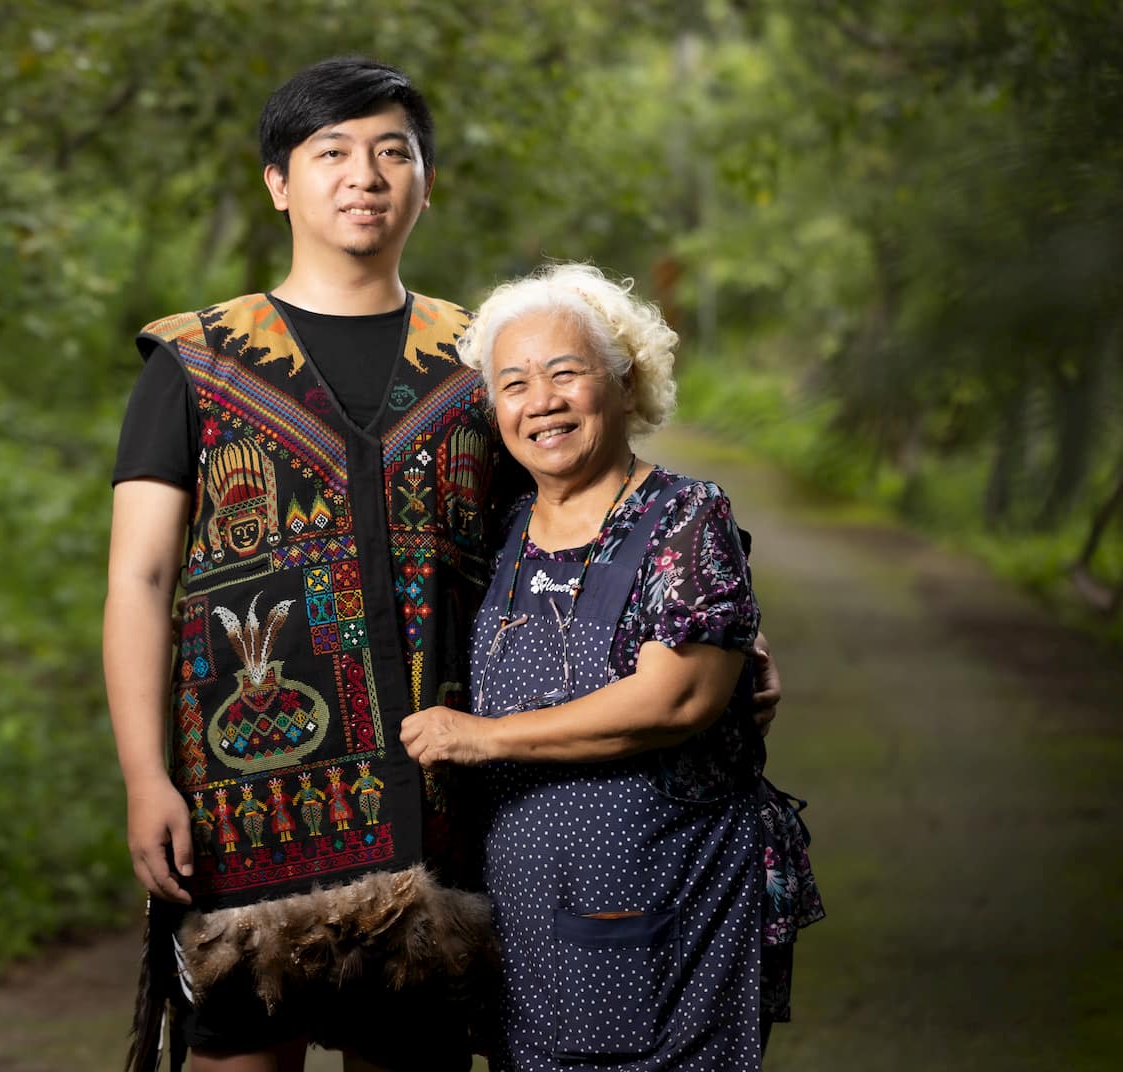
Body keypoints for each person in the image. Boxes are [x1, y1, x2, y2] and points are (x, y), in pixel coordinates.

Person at [104, 59, 786, 1072]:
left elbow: (584, 511)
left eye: (392, 151)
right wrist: (143, 775)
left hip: (439, 808)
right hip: (249, 801)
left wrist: (726, 620)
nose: (363, 175)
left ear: (427, 181)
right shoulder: (195, 362)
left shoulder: (481, 358)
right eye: (329, 151)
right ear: (278, 182)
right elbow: (140, 582)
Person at [401, 263, 823, 1072]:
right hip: (525, 916)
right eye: (515, 383)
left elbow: (675, 702)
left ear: (625, 385)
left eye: (568, 373)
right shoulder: (498, 530)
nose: (543, 401)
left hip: (669, 901)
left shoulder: (686, 518)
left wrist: (481, 738)